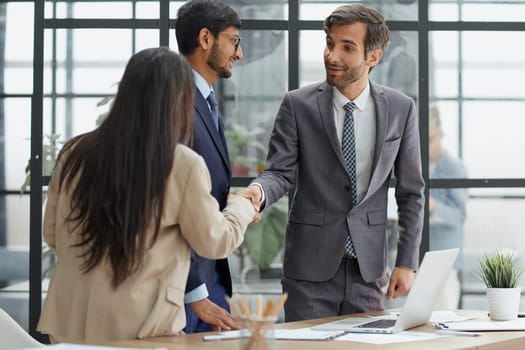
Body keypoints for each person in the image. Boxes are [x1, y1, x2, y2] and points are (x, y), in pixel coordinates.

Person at [37, 47, 256, 344]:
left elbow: (52, 234)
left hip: (69, 322)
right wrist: (240, 206)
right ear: (179, 98)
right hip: (137, 326)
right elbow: (216, 241)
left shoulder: (74, 151)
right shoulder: (180, 163)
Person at [240, 4, 425, 321]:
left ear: (373, 57)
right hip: (309, 272)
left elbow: (411, 192)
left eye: (346, 47)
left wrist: (406, 262)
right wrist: (258, 191)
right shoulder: (298, 105)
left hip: (368, 274)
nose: (332, 55)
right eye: (329, 43)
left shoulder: (400, 108)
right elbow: (279, 173)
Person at [175, 0, 245, 333]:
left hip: (210, 274)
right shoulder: (175, 101)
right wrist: (195, 291)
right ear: (206, 39)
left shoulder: (205, 101)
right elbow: (168, 208)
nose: (239, 53)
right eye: (233, 41)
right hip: (188, 290)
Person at [428, 104, 468, 309]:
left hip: (445, 261)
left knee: (442, 319)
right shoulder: (416, 164)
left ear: (441, 134)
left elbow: (459, 215)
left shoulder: (453, 167)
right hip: (418, 260)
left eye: (430, 139)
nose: (425, 146)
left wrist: (434, 207)